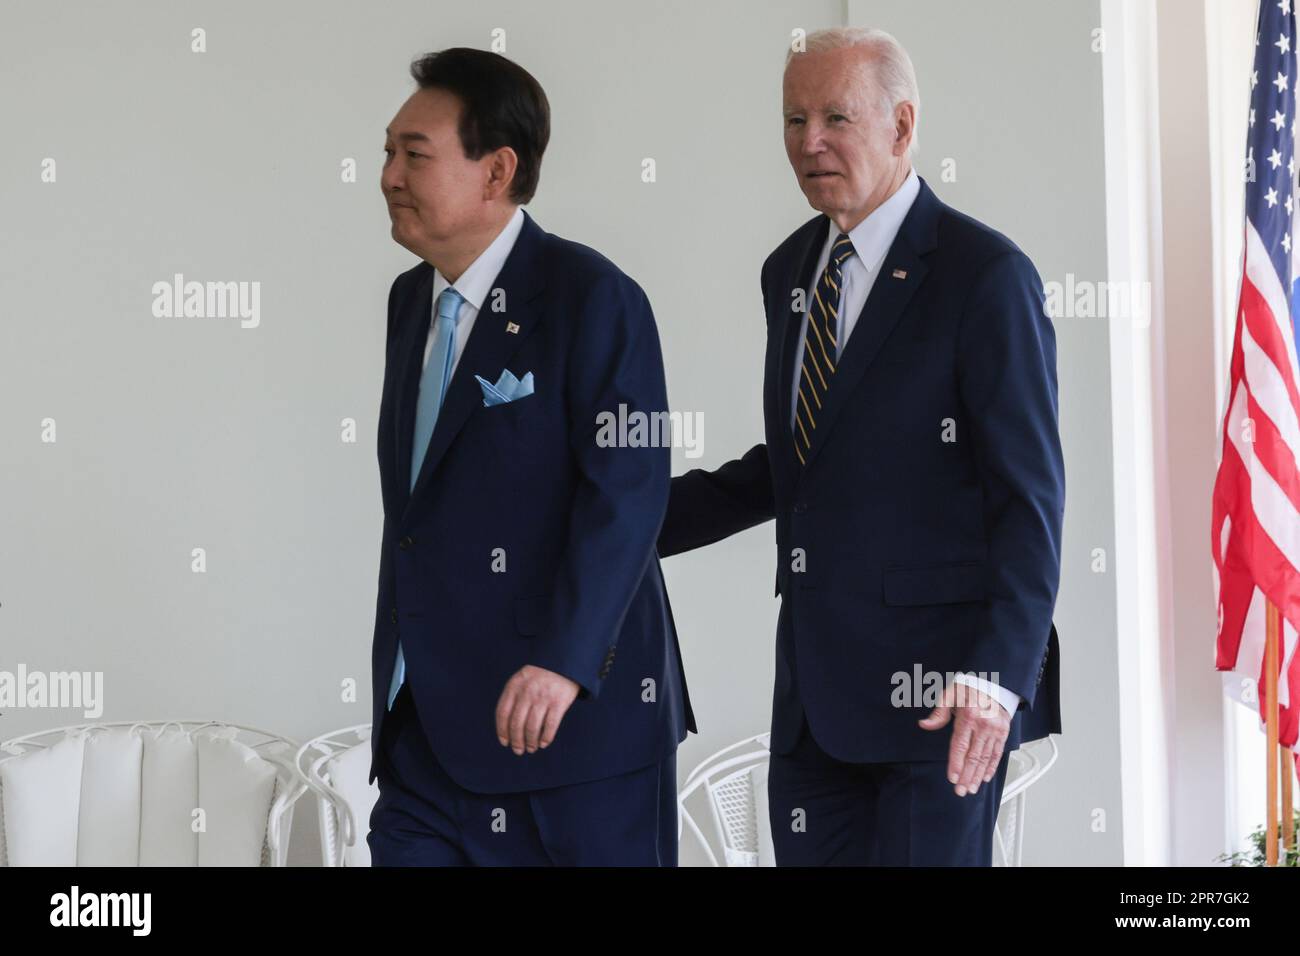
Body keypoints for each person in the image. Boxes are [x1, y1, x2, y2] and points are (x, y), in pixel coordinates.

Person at [657, 26, 1064, 866]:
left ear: (902, 126)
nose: (809, 142)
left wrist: (997, 676)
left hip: (943, 701)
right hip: (815, 704)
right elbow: (802, 464)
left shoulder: (983, 275)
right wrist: (621, 516)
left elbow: (1029, 494)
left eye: (836, 117)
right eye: (793, 119)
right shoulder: (789, 272)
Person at [368, 47, 694, 866]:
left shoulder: (594, 297)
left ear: (495, 171)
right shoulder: (410, 301)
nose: (387, 175)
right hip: (425, 740)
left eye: (414, 154)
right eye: (387, 152)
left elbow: (628, 496)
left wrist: (562, 660)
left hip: (575, 741)